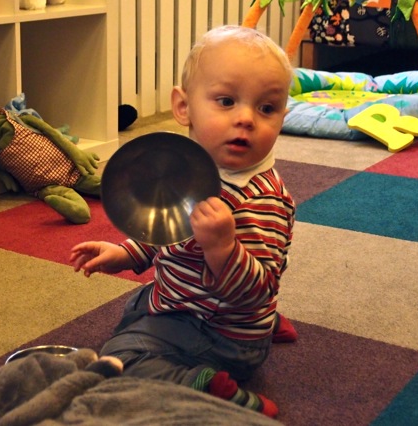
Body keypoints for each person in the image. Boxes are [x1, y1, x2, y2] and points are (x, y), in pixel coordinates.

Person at [69, 25, 297, 419]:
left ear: (282, 117)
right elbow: (168, 224)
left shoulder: (260, 201)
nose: (246, 118)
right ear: (183, 107)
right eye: (226, 101)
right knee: (138, 304)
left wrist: (222, 247)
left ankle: (209, 388)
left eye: (266, 108)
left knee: (119, 360)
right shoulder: (191, 166)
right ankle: (264, 325)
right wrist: (126, 253)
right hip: (191, 302)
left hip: (221, 335)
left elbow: (257, 289)